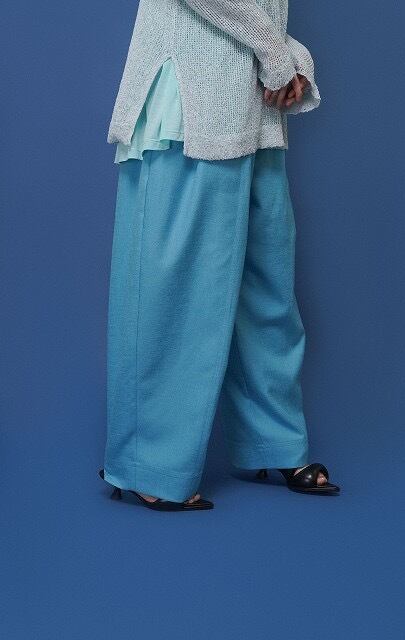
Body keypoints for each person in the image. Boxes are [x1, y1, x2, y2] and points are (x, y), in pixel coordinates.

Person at [99, 0, 340, 512]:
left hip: (253, 110)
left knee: (265, 292)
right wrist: (276, 54)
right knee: (177, 295)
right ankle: (147, 463)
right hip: (189, 104)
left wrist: (293, 60)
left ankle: (272, 441)